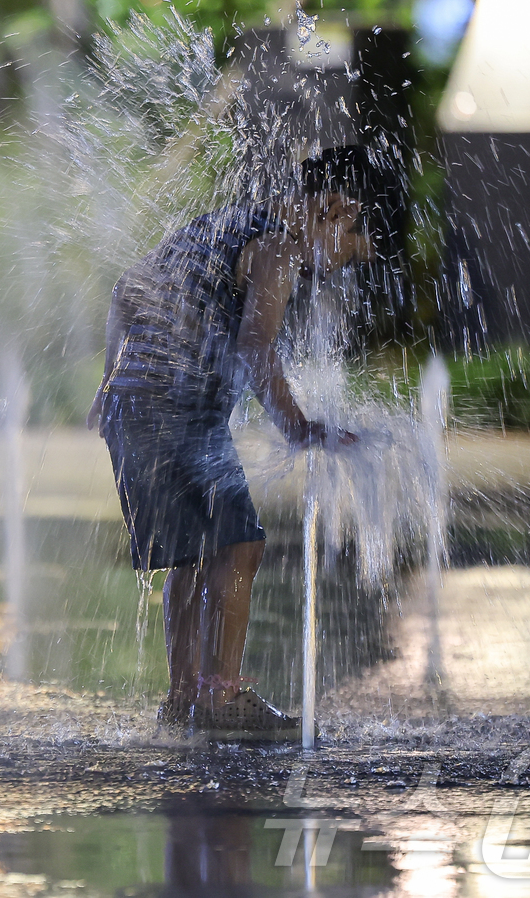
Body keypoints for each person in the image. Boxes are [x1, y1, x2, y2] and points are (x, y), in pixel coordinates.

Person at [88, 146, 398, 735]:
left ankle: (184, 699)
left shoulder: (225, 223)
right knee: (240, 548)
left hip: (137, 406)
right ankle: (222, 698)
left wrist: (110, 382)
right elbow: (258, 346)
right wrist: (299, 426)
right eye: (351, 249)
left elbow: (127, 288)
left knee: (192, 554)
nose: (339, 268)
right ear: (335, 208)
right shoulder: (279, 249)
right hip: (177, 407)